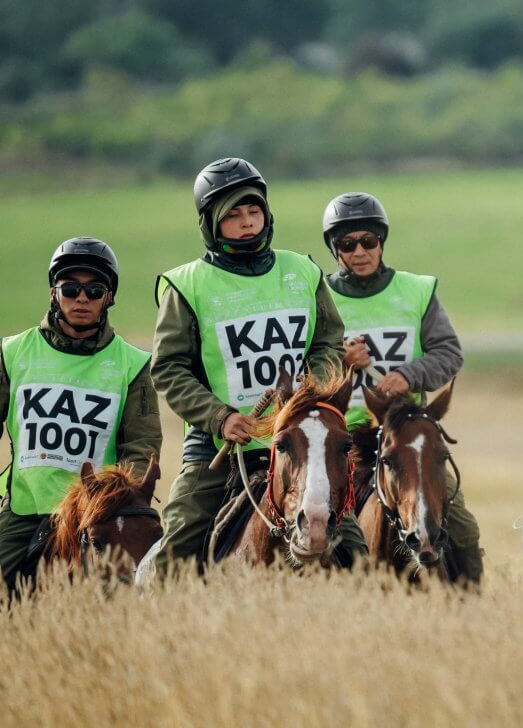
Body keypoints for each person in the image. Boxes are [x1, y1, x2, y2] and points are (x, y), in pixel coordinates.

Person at [152, 158, 364, 572]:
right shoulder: (186, 285)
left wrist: (309, 395)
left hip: (301, 443)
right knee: (177, 543)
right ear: (211, 224)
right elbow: (169, 370)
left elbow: (327, 345)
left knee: (356, 553)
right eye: (232, 215)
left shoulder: (303, 271)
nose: (247, 222)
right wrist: (219, 417)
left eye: (254, 211)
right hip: (223, 446)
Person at [0, 237, 160, 589]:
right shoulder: (13, 352)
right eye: (70, 288)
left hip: (95, 515)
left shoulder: (133, 364)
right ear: (54, 292)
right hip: (25, 509)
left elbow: (141, 447)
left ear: (109, 297)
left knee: (132, 592)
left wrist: (119, 504)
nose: (81, 298)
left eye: (94, 290)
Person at [321, 192, 484, 583]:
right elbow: (305, 363)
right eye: (347, 244)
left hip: (406, 435)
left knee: (461, 524)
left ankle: (470, 602)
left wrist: (410, 376)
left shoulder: (417, 291)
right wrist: (339, 361)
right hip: (345, 438)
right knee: (316, 522)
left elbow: (449, 353)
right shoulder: (319, 298)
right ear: (335, 250)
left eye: (369, 241)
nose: (360, 251)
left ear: (381, 243)